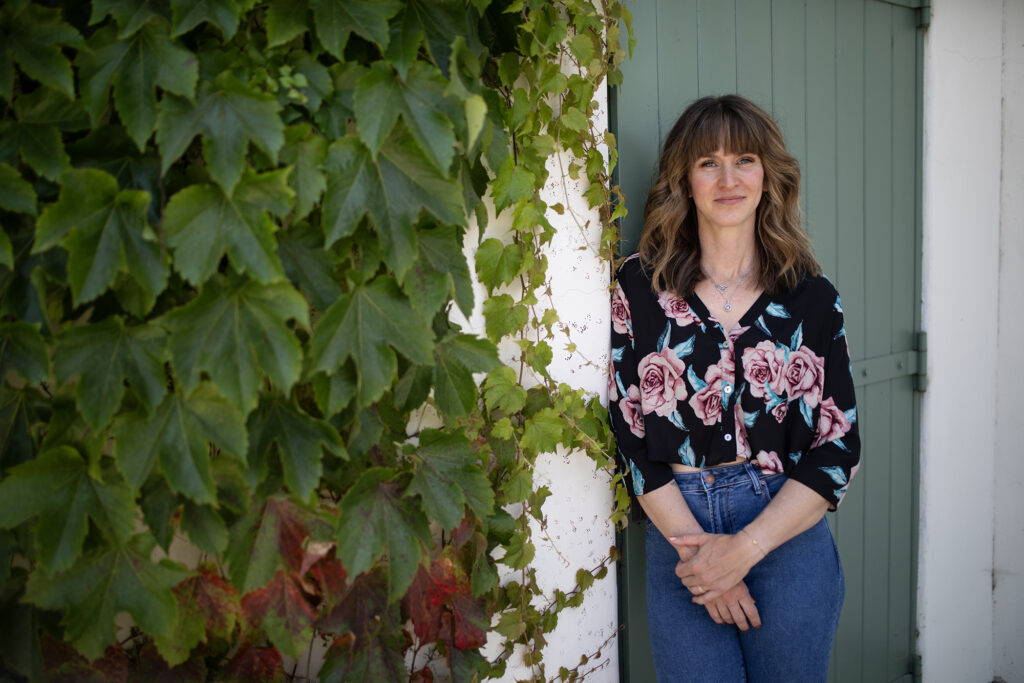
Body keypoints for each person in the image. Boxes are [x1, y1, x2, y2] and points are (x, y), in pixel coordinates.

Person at [608, 94, 860, 682]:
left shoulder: (812, 297)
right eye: (708, 163)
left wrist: (743, 549)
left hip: (784, 529)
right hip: (680, 530)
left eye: (745, 159)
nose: (728, 179)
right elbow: (629, 431)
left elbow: (837, 446)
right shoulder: (638, 287)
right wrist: (701, 556)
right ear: (684, 180)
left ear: (768, 177)